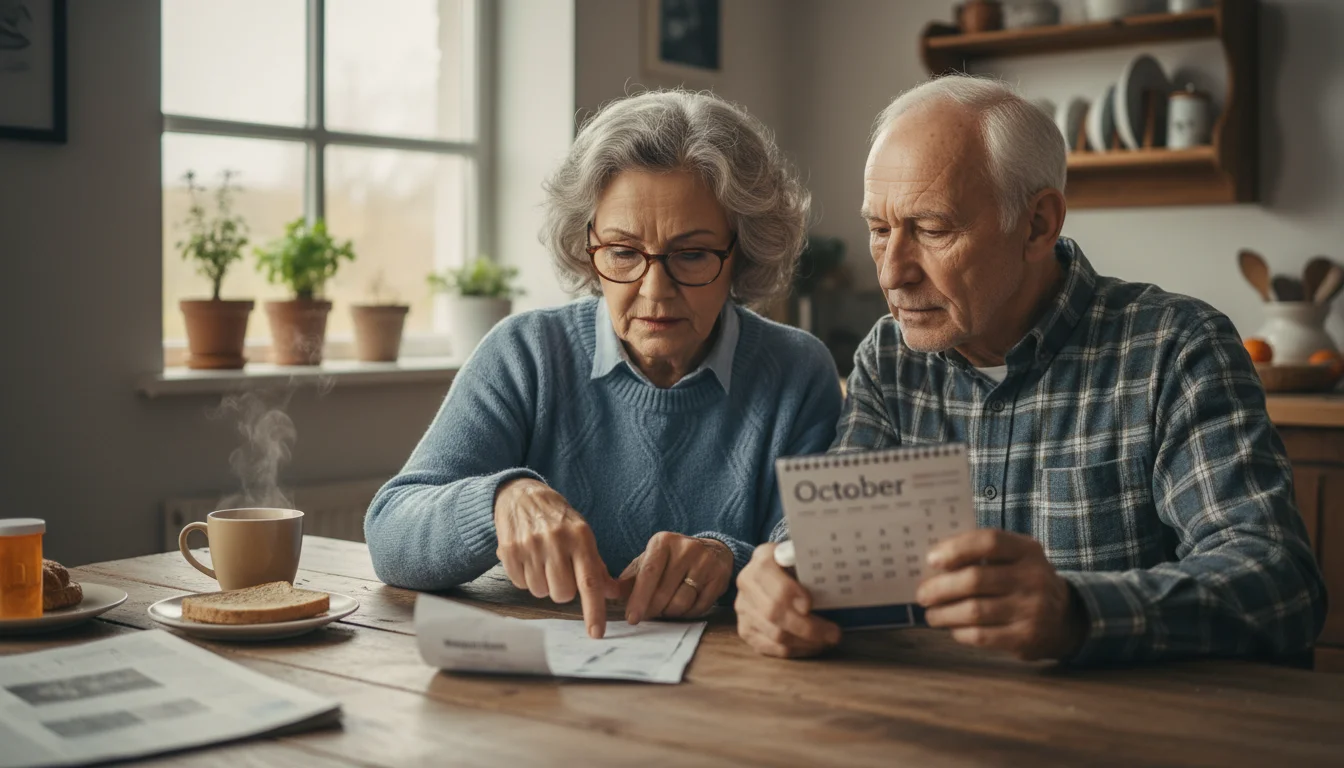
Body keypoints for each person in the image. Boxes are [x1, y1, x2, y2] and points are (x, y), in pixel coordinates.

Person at [734, 75, 1327, 664]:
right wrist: (781, 576)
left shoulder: (1175, 350)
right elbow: (832, 544)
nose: (892, 272)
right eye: (879, 230)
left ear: (1039, 224)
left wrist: (1078, 611)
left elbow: (1278, 581)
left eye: (933, 229)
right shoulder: (889, 358)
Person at [365, 90, 842, 639]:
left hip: (736, 690)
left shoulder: (796, 370)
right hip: (540, 683)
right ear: (585, 247)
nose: (655, 291)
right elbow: (390, 534)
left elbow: (811, 547)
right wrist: (498, 501)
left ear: (744, 254)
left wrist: (725, 557)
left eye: (692, 255)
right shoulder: (525, 355)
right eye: (622, 252)